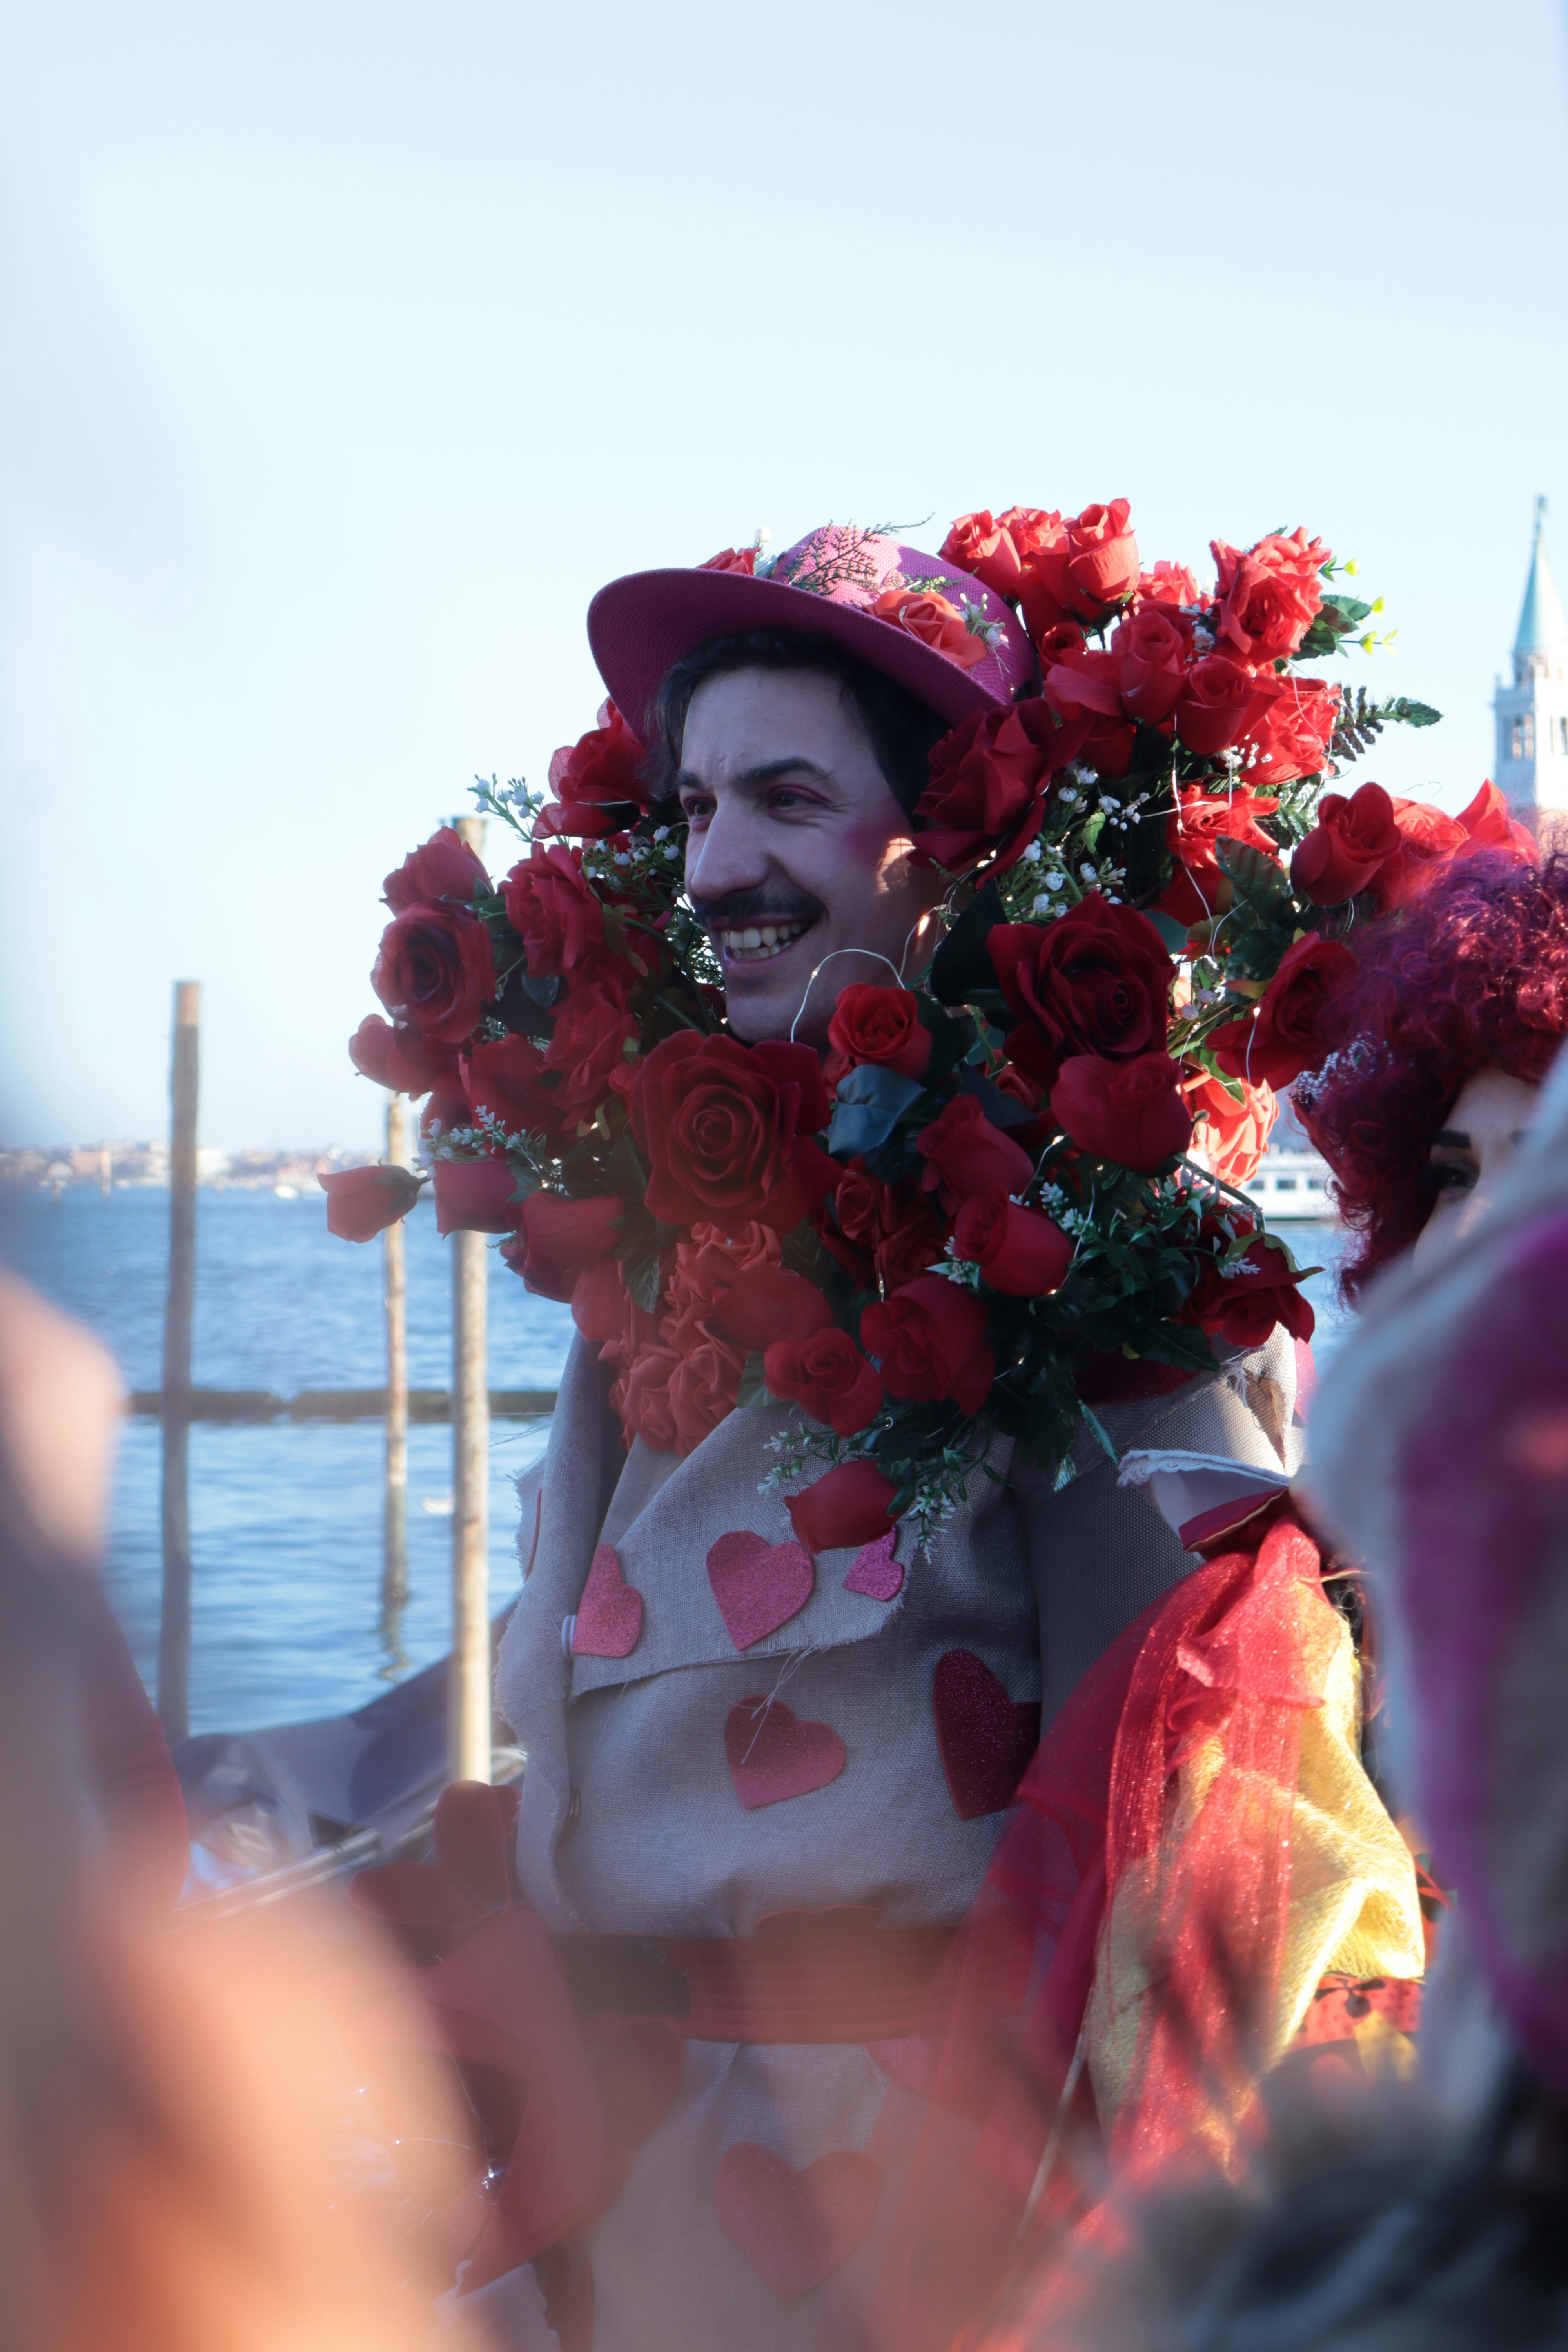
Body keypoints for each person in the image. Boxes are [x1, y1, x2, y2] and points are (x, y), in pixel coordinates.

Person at [463, 525, 1312, 2352]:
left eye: (784, 797)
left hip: (919, 2215)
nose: (719, 864)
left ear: (949, 850)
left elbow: (1182, 1788)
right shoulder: (660, 1271)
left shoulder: (1084, 1267)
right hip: (621, 2168)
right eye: (692, 807)